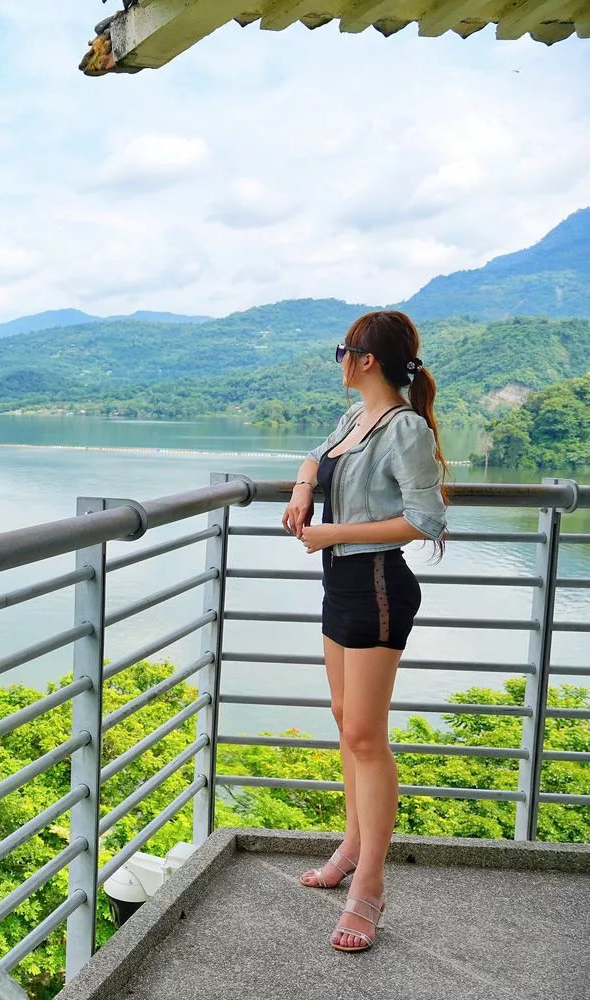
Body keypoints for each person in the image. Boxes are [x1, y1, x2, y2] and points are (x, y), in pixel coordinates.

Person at [279, 310, 448, 953]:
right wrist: (302, 489)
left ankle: (370, 887)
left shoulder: (402, 428)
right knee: (345, 716)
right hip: (341, 584)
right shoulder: (356, 420)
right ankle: (351, 845)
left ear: (364, 360)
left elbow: (426, 521)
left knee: (364, 736)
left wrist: (331, 532)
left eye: (342, 351)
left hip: (377, 584)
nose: (339, 360)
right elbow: (316, 456)